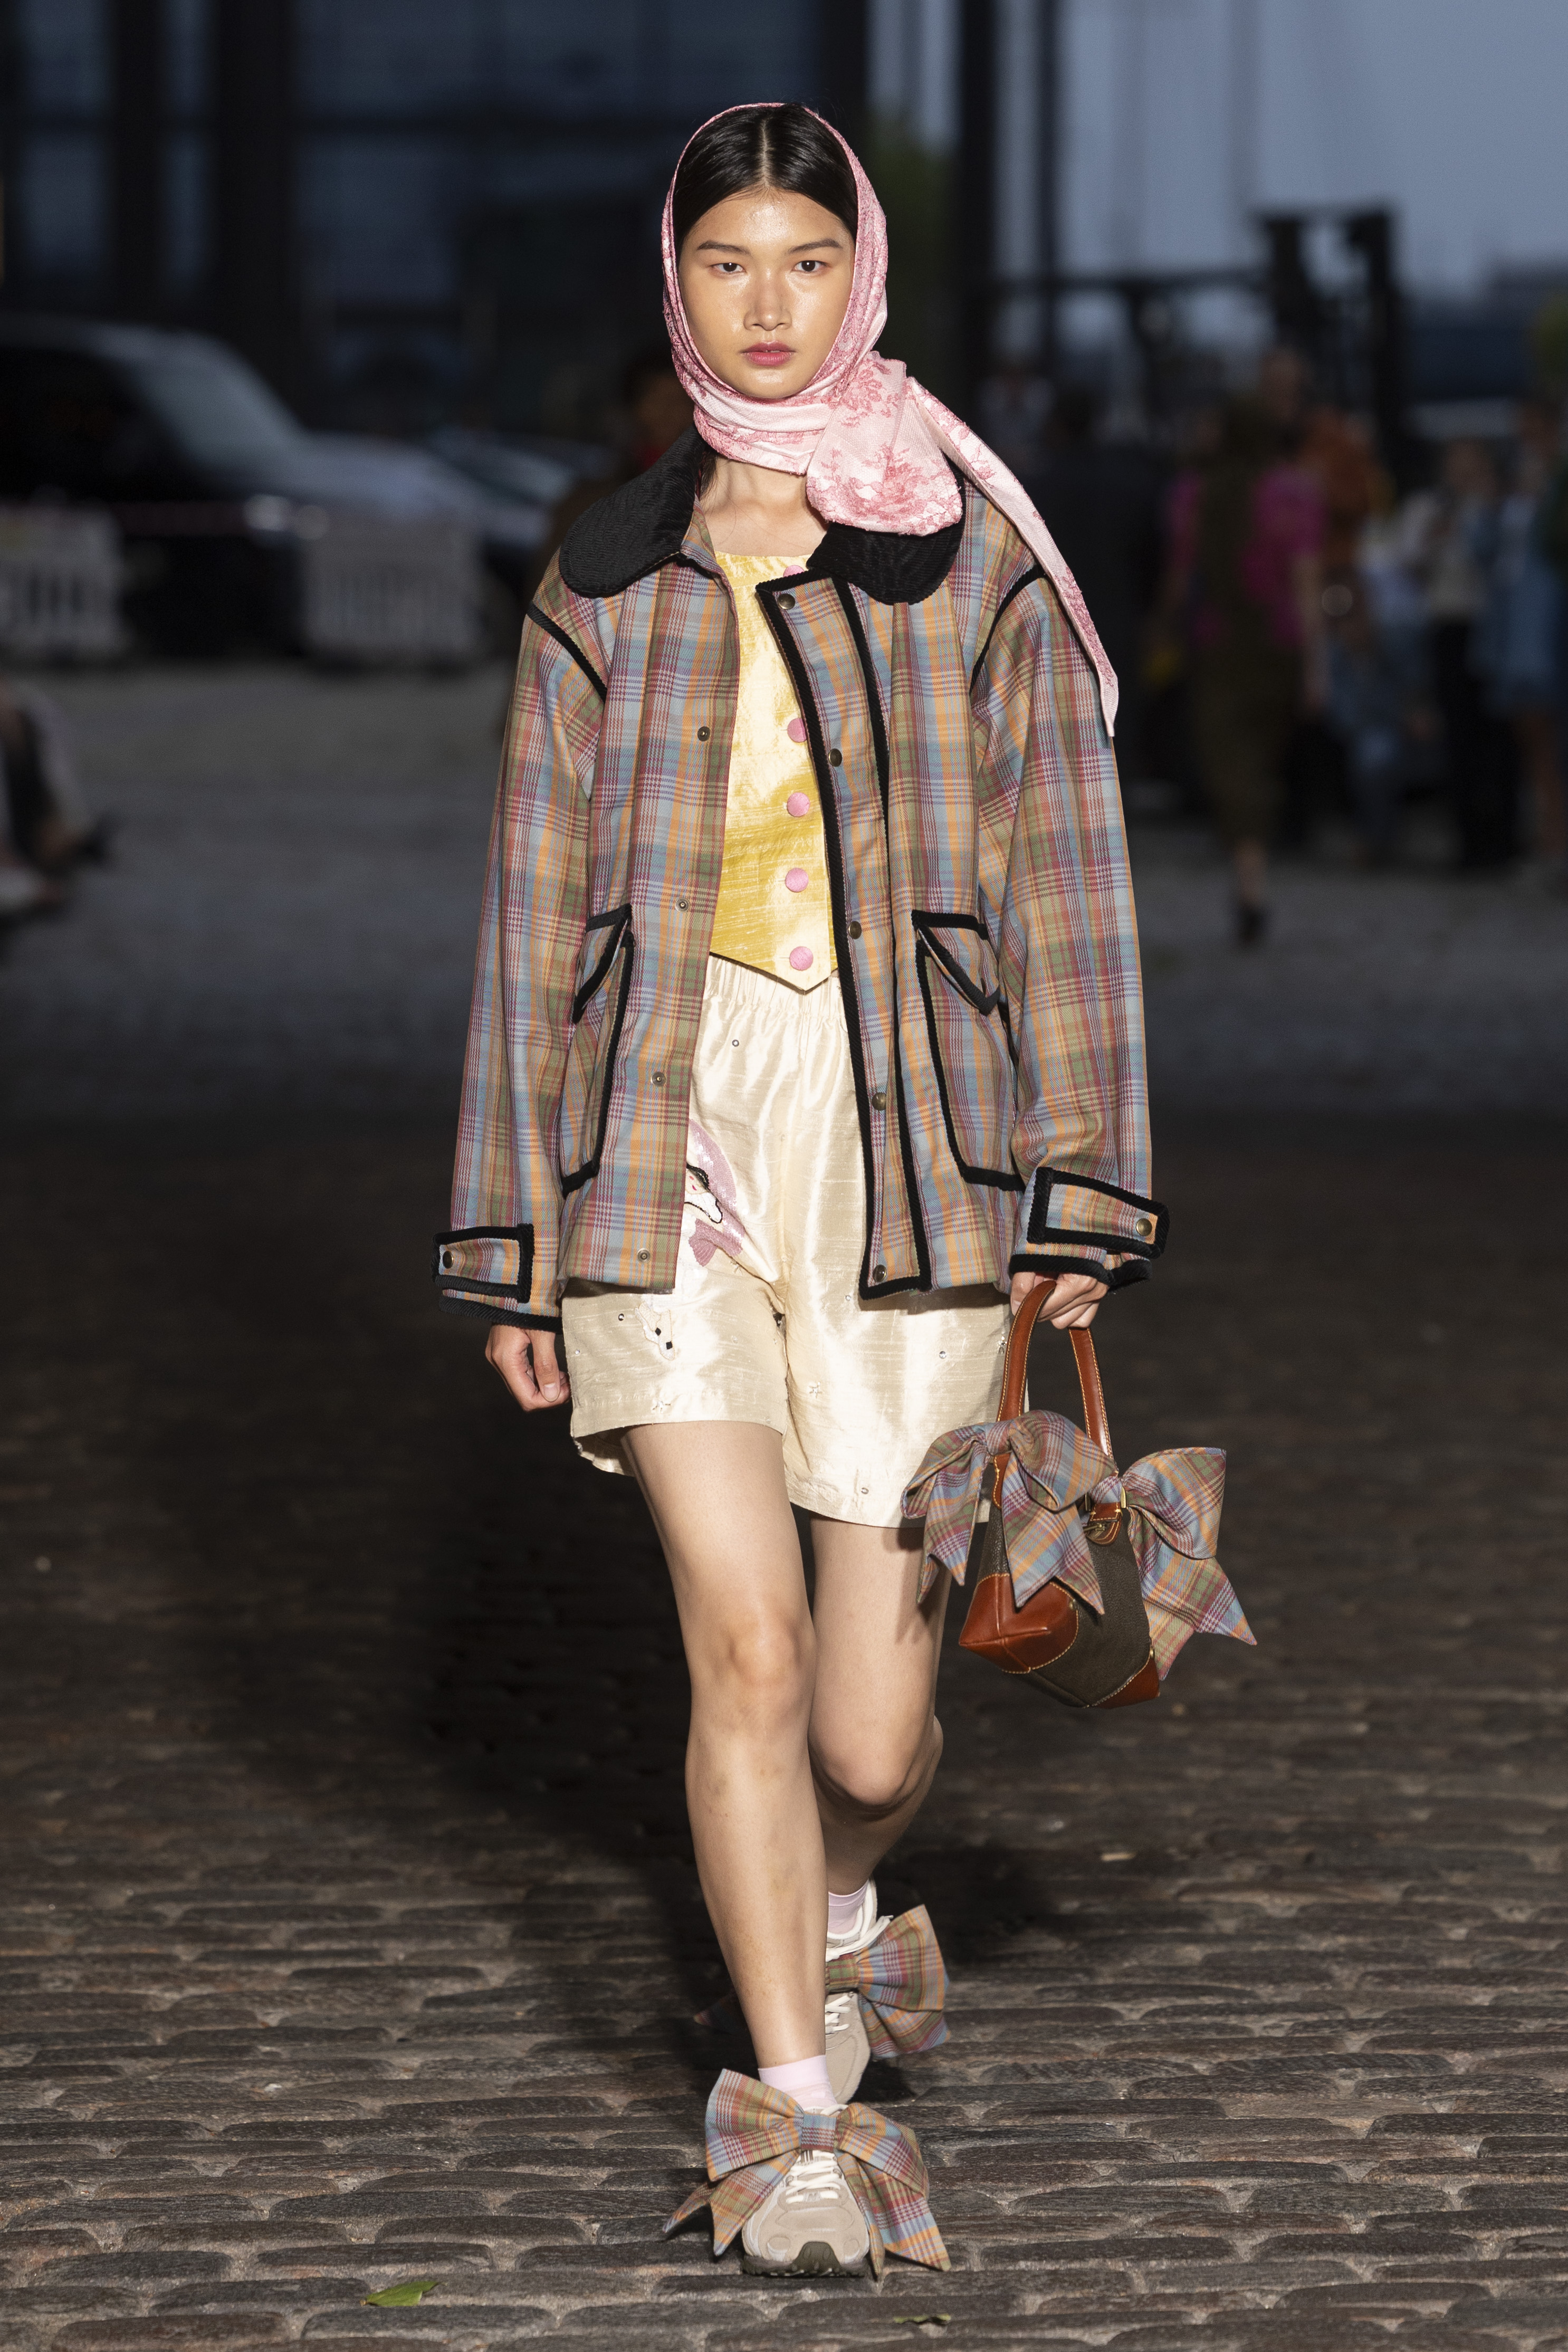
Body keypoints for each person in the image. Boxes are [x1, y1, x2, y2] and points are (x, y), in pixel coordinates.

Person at [435, 103, 1159, 2279]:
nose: (767, 303)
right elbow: (526, 902)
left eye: (805, 263)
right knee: (736, 1649)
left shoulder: (965, 548)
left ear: (861, 281)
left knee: (865, 1716)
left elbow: (1065, 869)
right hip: (661, 1148)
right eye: (727, 262)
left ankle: (843, 1897)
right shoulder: (602, 564)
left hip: (914, 1140)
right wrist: (509, 1228)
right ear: (679, 281)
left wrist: (1081, 1180)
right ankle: (802, 2122)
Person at [1163, 394, 1327, 943]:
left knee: (1229, 764)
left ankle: (1248, 874)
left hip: (1218, 644)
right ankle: (1253, 872)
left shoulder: (1193, 495)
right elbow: (1305, 584)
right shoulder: (1294, 494)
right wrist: (1315, 665)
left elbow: (1180, 582)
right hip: (1276, 643)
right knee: (1259, 761)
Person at [1397, 439, 1518, 871]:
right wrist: (1440, 529)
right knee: (1459, 735)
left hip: (1492, 625)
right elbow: (1409, 563)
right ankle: (1468, 840)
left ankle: (1504, 838)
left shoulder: (1497, 505)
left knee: (1500, 734)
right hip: (1448, 626)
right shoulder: (1426, 508)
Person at [1475, 401, 1566, 881]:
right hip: (1513, 625)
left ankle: (1556, 843)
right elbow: (1485, 550)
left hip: (1547, 622)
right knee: (1531, 735)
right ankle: (1550, 840)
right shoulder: (1515, 489)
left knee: (1550, 735)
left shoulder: (1558, 487)